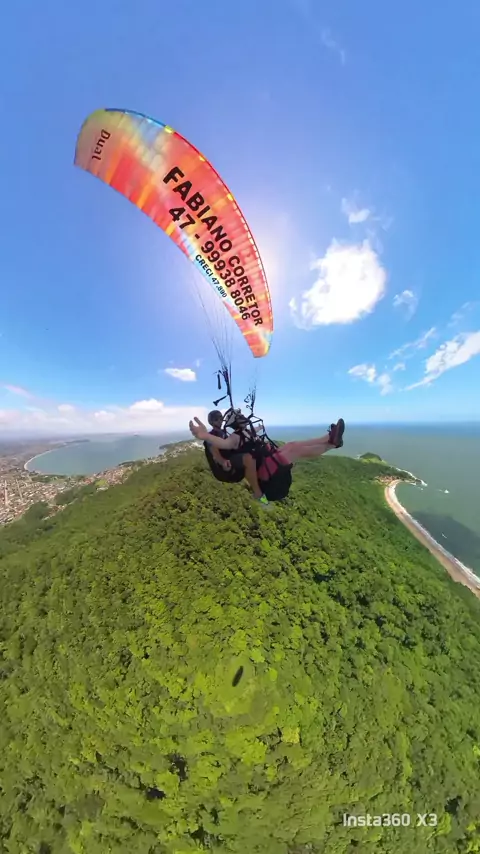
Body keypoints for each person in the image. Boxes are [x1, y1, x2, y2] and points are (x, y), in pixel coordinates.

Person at [190, 413, 345, 502]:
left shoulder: (244, 432)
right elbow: (222, 444)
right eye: (241, 417)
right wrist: (205, 435)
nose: (245, 417)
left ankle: (328, 438)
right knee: (294, 451)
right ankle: (332, 445)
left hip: (265, 460)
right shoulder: (233, 438)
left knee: (292, 445)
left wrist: (259, 427)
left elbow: (253, 431)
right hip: (266, 473)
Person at [201, 410, 271, 507]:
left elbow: (244, 434)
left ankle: (260, 483)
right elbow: (212, 447)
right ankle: (258, 494)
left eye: (221, 417)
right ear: (211, 422)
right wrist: (222, 461)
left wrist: (258, 428)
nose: (220, 420)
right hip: (225, 465)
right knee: (248, 458)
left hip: (230, 458)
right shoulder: (213, 434)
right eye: (216, 419)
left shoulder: (223, 433)